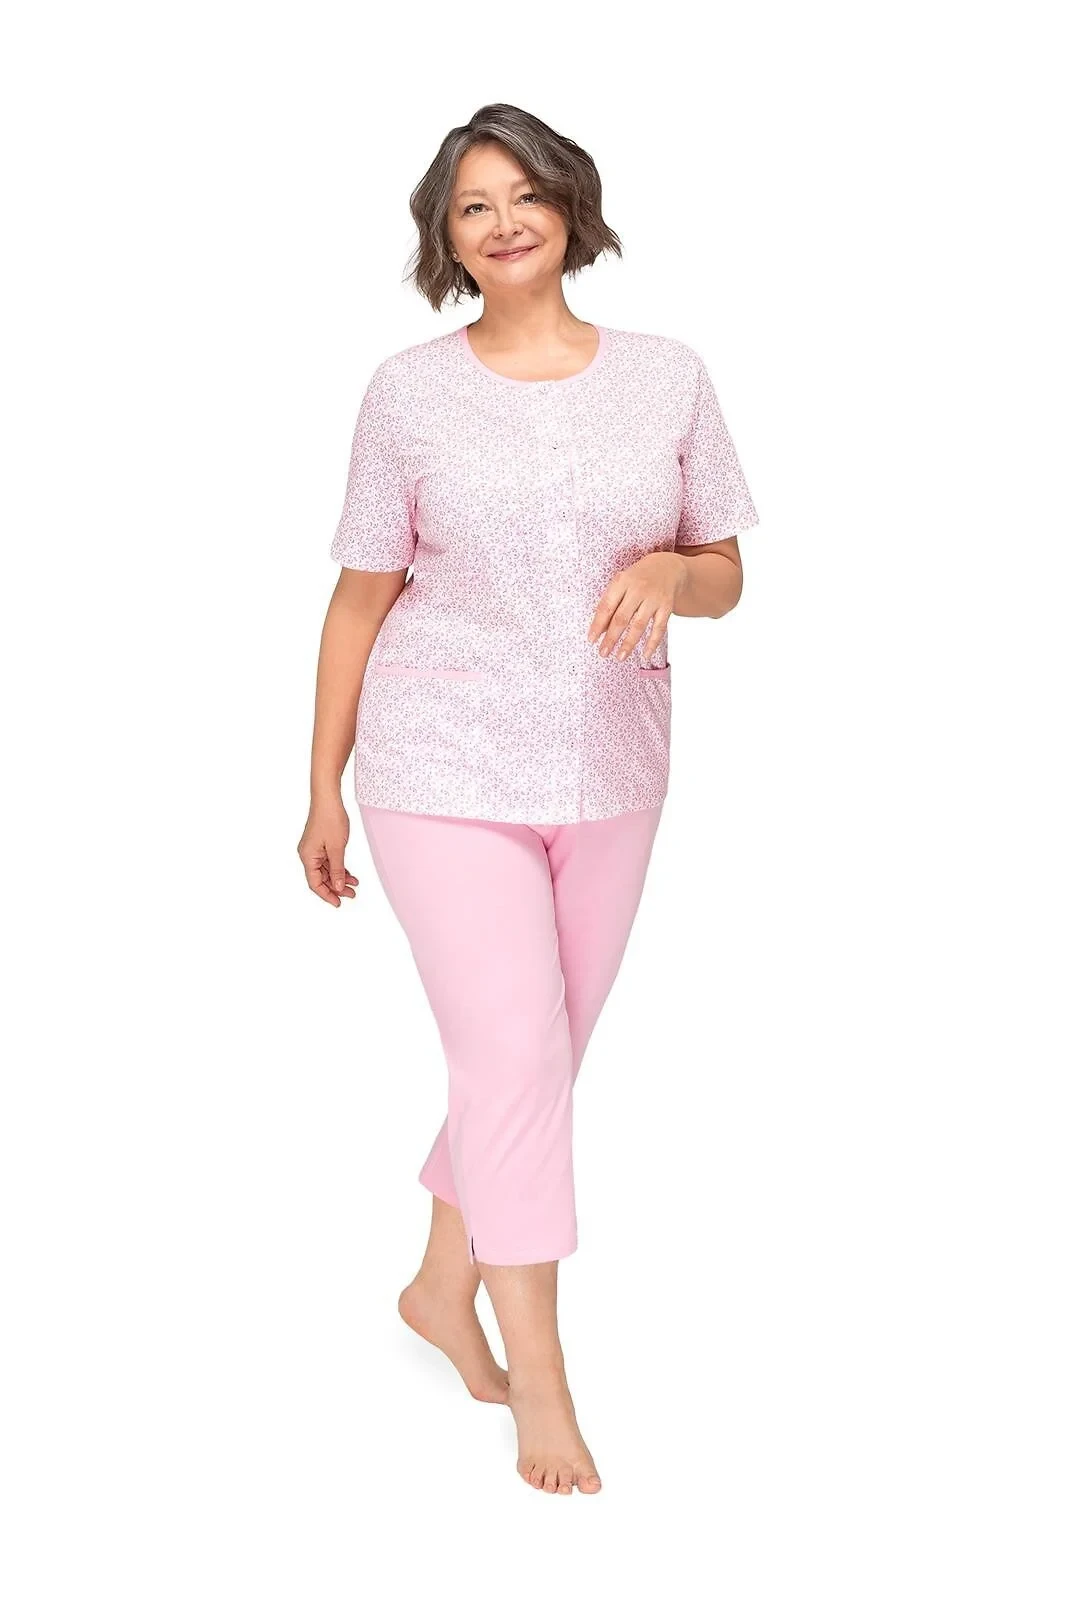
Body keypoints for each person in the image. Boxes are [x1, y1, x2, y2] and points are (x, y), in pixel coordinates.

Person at [298, 102, 759, 1496]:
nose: (501, 223)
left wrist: (672, 574)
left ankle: (440, 1285)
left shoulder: (669, 377)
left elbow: (724, 576)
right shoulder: (406, 392)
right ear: (445, 238)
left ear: (569, 206)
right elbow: (360, 595)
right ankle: (540, 1378)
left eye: (522, 196)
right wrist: (320, 787)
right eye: (471, 206)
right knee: (511, 1058)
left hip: (612, 763)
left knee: (538, 1061)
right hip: (438, 764)